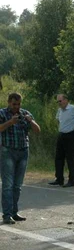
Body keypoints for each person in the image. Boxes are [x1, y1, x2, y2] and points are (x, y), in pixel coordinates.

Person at [0, 93, 41, 224]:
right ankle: (6, 214)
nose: (16, 107)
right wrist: (10, 122)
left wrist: (30, 120)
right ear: (8, 102)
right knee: (8, 185)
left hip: (23, 151)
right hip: (7, 151)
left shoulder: (25, 114)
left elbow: (37, 130)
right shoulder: (2, 113)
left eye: (18, 104)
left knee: (17, 186)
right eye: (14, 104)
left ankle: (14, 212)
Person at [49, 94, 74, 187]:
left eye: (61, 101)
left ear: (66, 100)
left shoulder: (73, 108)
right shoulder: (60, 110)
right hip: (61, 134)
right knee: (58, 157)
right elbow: (58, 120)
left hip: (70, 135)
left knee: (70, 158)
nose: (59, 103)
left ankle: (72, 180)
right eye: (58, 101)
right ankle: (59, 179)